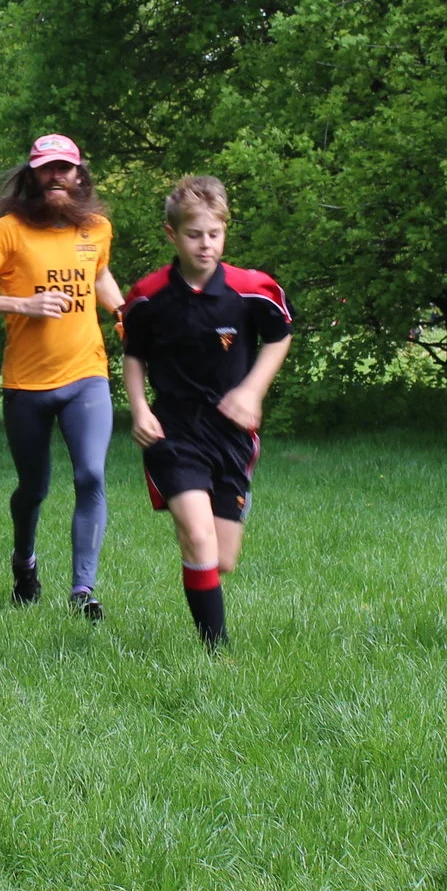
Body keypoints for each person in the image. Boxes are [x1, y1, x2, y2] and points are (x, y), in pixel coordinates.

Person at [0, 134, 123, 619]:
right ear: (31, 176)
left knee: (90, 474)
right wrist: (22, 303)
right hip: (26, 384)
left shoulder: (97, 229)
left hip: (86, 375)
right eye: (47, 168)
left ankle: (82, 590)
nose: (56, 177)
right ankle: (24, 559)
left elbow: (99, 275)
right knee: (34, 488)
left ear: (79, 175)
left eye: (64, 168)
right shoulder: (4, 231)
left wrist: (126, 310)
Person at [121, 176, 292, 649]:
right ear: (171, 234)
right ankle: (217, 655)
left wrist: (253, 391)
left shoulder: (252, 288)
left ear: (225, 232)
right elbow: (133, 354)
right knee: (198, 538)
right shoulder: (147, 296)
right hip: (172, 432)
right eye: (194, 234)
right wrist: (138, 409)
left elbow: (280, 336)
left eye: (214, 234)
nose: (205, 244)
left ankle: (198, 542)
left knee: (221, 559)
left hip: (232, 435)